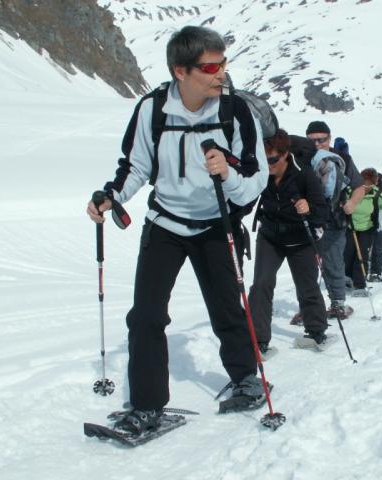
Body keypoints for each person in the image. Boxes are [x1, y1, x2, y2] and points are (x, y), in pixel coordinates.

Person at [86, 26, 269, 434]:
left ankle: (246, 378)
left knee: (226, 308)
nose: (222, 73)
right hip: (165, 224)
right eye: (211, 67)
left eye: (223, 63)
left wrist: (228, 175)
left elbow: (255, 179)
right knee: (146, 316)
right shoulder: (153, 109)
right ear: (180, 71)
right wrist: (112, 196)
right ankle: (147, 404)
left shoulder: (235, 112)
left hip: (216, 223)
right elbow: (136, 165)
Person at [248, 129, 330, 349]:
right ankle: (258, 340)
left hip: (301, 238)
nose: (268, 165)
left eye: (272, 160)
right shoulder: (261, 173)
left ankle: (316, 331)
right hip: (270, 236)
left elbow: (323, 212)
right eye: (264, 160)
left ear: (285, 154)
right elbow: (246, 198)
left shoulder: (304, 174)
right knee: (261, 284)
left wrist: (308, 208)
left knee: (306, 285)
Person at [305, 121, 365, 318]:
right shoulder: (303, 157)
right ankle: (309, 307)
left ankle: (338, 302)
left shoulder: (343, 159)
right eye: (312, 140)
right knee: (305, 264)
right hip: (308, 219)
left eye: (321, 139)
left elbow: (359, 186)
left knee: (332, 261)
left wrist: (352, 203)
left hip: (335, 218)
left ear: (329, 138)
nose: (317, 144)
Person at [344, 168, 382, 296]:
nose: (366, 187)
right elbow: (342, 203)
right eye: (364, 183)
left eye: (370, 184)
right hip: (351, 227)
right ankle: (347, 279)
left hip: (367, 228)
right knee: (348, 254)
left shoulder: (376, 193)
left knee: (362, 255)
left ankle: (359, 284)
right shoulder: (350, 190)